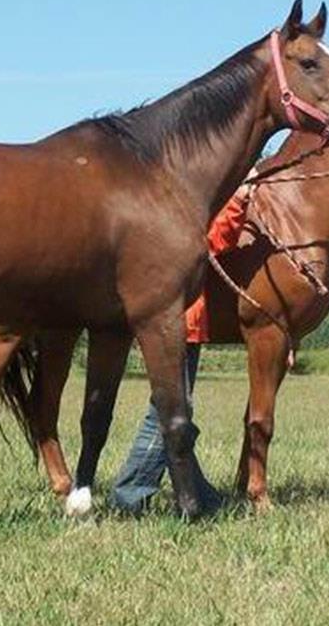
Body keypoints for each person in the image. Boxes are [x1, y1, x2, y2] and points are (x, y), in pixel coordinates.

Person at [109, 187, 251, 513]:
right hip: (178, 323)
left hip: (182, 323)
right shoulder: (188, 205)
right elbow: (211, 244)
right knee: (169, 410)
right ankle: (129, 493)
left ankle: (201, 495)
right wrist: (240, 200)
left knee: (177, 411)